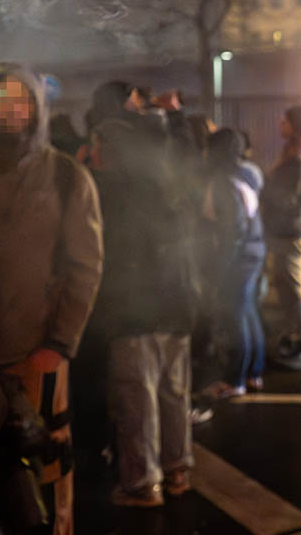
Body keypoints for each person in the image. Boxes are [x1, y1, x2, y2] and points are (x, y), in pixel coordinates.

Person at [0, 64, 103, 534]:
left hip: (35, 355)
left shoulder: (66, 177)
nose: (11, 110)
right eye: (2, 99)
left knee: (47, 473)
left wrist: (59, 343)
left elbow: (85, 267)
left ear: (36, 108)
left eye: (22, 100)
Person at [88, 120, 195, 507]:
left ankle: (142, 483)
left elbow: (107, 256)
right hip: (177, 307)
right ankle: (177, 470)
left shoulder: (113, 192)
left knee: (138, 399)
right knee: (173, 394)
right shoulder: (171, 187)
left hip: (136, 312)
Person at [202, 129, 267, 396]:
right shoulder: (247, 173)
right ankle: (254, 374)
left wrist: (221, 266)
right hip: (255, 248)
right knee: (248, 311)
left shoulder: (223, 181)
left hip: (239, 254)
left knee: (236, 314)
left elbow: (234, 228)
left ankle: (234, 380)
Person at [261, 105, 301, 370]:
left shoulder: (299, 158)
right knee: (290, 288)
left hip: (292, 232)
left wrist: (263, 189)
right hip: (292, 230)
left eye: (284, 121)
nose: (280, 123)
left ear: (294, 126)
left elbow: (287, 199)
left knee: (295, 290)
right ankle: (298, 338)